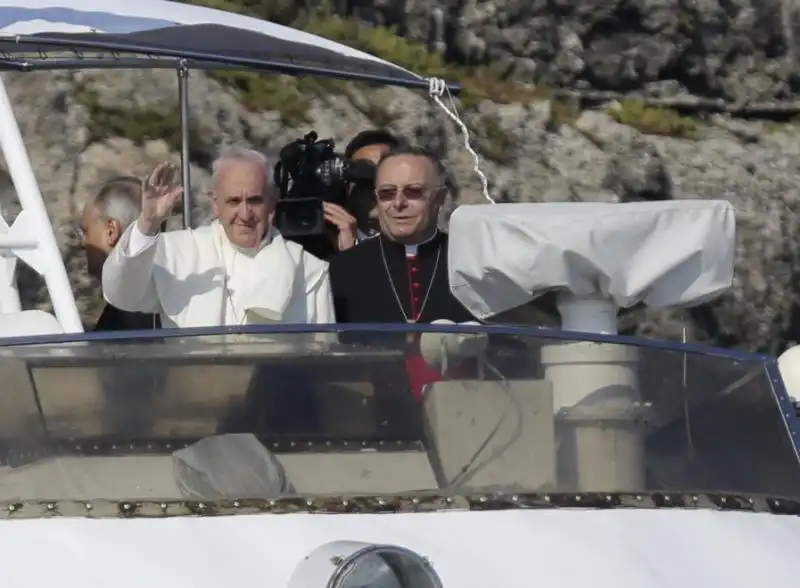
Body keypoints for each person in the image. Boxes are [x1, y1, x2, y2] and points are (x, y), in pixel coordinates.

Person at [102, 148, 335, 328]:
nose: (245, 214)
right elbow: (122, 295)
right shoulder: (177, 252)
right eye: (233, 201)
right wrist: (147, 223)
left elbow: (322, 360)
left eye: (254, 201)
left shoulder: (308, 271)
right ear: (215, 205)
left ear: (272, 202)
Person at [328, 145, 475, 399]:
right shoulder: (344, 269)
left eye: (414, 192)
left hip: (463, 409)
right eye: (386, 193)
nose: (398, 203)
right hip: (376, 415)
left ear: (440, 198)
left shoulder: (472, 262)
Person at [79, 176, 160, 331]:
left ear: (111, 231)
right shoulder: (166, 290)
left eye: (85, 231)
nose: (83, 243)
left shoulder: (129, 309)